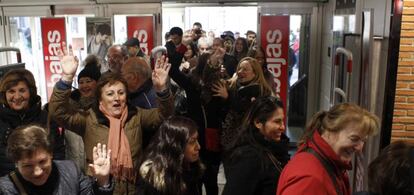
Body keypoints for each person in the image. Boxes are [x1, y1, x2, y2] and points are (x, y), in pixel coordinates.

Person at [49, 46, 174, 194]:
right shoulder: (89, 119)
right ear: (100, 98)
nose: (116, 98)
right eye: (110, 94)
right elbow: (58, 112)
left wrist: (161, 90)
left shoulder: (136, 115)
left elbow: (163, 115)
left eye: (121, 93)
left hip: (133, 189)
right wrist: (66, 78)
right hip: (99, 188)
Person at [277, 103, 380, 195]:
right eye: (354, 139)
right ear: (330, 131)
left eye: (363, 141)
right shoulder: (310, 179)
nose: (359, 148)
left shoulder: (330, 163)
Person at [0, 125, 113, 194]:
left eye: (42, 162)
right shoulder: (6, 188)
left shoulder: (71, 170)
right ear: (16, 163)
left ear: (51, 154)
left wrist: (102, 180)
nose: (38, 172)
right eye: (28, 166)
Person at [0, 69, 64, 176]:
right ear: (4, 95)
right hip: (7, 186)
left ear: (31, 92)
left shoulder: (46, 119)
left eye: (22, 90)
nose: (16, 97)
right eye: (11, 91)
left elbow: (58, 154)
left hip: (42, 180)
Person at [222, 97, 290, 195]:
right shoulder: (249, 156)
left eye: (282, 121)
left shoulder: (274, 149)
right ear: (258, 123)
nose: (282, 127)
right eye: (277, 121)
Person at [214, 57, 273, 157]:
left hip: (251, 141)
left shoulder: (262, 92)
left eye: (245, 69)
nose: (240, 72)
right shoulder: (230, 86)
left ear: (255, 73)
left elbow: (247, 112)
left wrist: (228, 98)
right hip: (229, 140)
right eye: (239, 68)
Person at [136, 116, 204, 195]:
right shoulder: (152, 180)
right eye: (192, 142)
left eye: (197, 140)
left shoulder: (191, 168)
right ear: (176, 146)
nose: (198, 147)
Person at [66, 59, 102, 171]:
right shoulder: (69, 106)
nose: (84, 85)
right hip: (74, 166)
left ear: (98, 83)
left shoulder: (103, 107)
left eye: (88, 81)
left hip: (97, 167)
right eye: (81, 82)